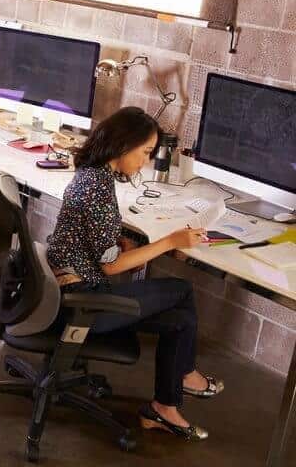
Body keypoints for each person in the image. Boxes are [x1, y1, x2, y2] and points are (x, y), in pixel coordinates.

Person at [46, 106, 224, 442]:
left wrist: (118, 241)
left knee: (179, 320)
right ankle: (183, 378)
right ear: (123, 145)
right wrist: (170, 241)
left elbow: (97, 244)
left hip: (72, 289)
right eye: (145, 152)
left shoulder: (91, 175)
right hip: (82, 303)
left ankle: (164, 408)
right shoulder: (97, 188)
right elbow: (110, 267)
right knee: (182, 290)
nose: (146, 160)